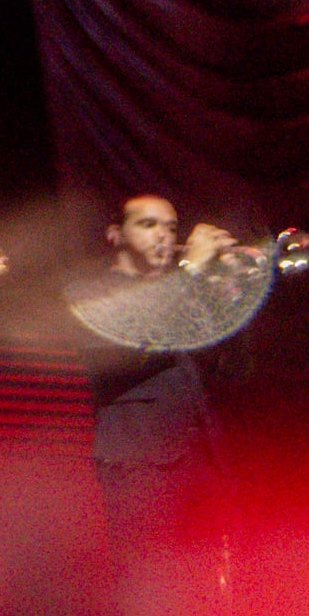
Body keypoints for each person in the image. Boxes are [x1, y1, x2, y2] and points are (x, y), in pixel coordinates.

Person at [78, 195, 244, 553]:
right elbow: (132, 344)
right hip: (139, 465)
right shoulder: (93, 294)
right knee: (152, 574)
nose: (164, 236)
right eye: (148, 224)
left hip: (200, 462)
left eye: (170, 227)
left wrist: (229, 289)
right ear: (115, 235)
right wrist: (189, 270)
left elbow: (230, 366)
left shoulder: (181, 296)